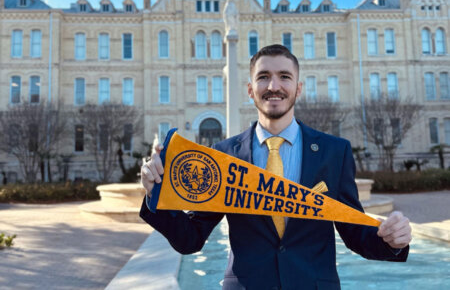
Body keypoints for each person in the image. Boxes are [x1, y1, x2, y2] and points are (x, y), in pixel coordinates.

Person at [140, 44, 412, 290]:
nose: (274, 85)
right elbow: (191, 239)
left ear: (298, 88)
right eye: (263, 77)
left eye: (284, 76)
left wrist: (392, 240)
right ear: (250, 89)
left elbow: (355, 233)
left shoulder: (333, 152)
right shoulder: (224, 155)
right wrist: (155, 194)